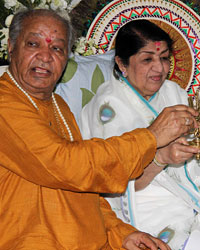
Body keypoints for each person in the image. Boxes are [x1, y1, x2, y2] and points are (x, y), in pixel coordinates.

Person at [0, 9, 197, 250]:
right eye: (33, 44)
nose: (45, 57)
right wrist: (152, 138)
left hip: (89, 238)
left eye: (57, 49)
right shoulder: (5, 103)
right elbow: (66, 164)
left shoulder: (58, 105)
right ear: (11, 47)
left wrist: (121, 232)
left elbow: (85, 186)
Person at [81, 20, 200, 250]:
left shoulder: (173, 91)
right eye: (148, 59)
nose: (160, 68)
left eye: (164, 58)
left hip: (190, 196)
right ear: (121, 63)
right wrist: (160, 158)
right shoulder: (108, 109)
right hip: (147, 208)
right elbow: (113, 184)